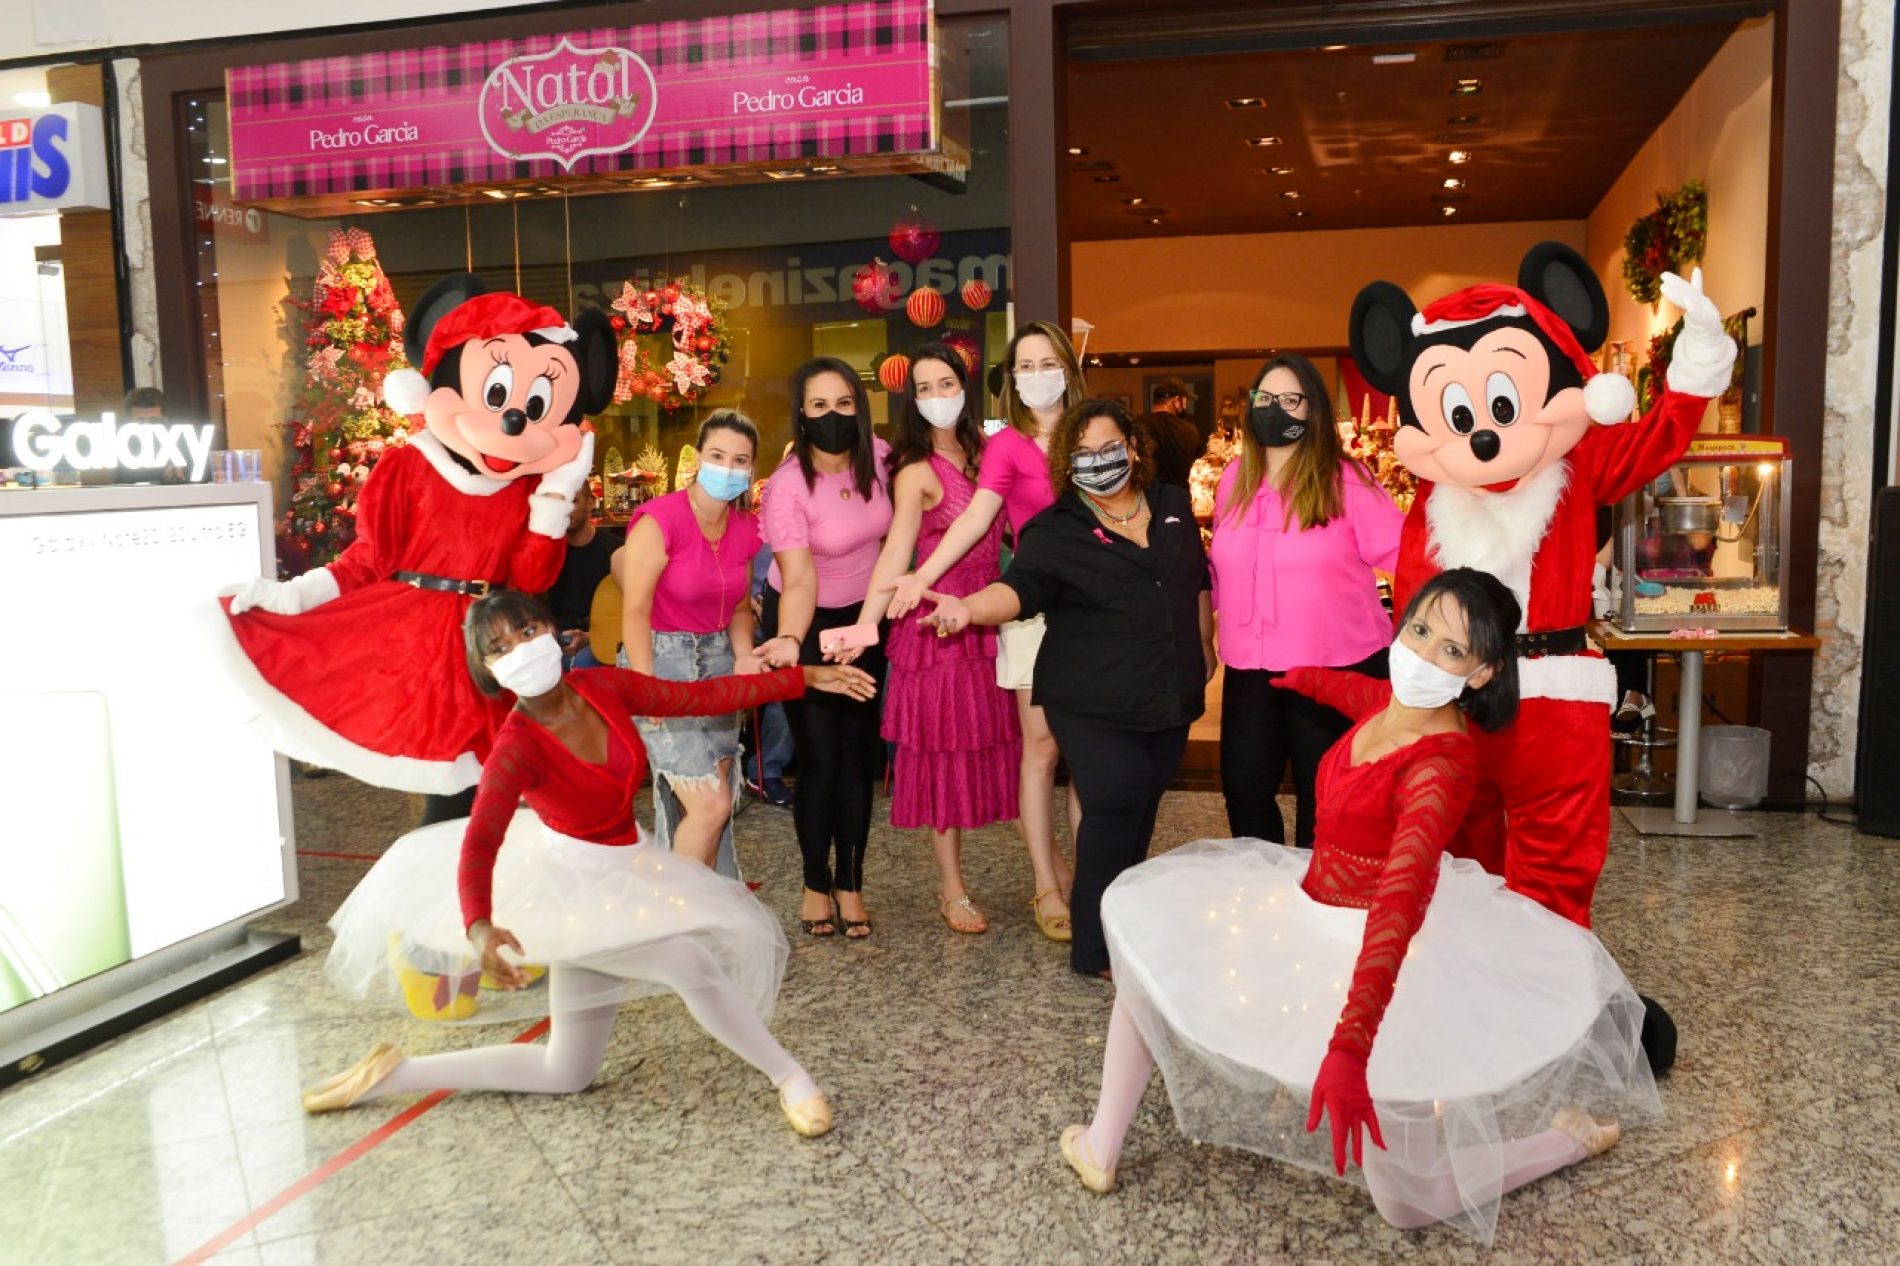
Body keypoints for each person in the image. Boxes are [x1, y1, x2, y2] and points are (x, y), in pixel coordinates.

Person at [1057, 570, 1658, 1244]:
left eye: (1450, 651)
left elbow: (1399, 903)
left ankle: (1565, 1141)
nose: (1423, 653)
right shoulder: (1395, 702)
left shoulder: (1442, 767)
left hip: (1374, 951)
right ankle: (1101, 1144)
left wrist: (1349, 1049)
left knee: (1406, 1201)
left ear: (1483, 672)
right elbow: (1363, 693)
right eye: (1420, 629)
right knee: (1151, 956)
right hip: (1303, 904)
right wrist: (1304, 677)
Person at [309, 590, 876, 1136]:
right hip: (574, 885)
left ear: (552, 631)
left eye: (527, 631)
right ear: (488, 670)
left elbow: (701, 699)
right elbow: (480, 840)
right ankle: (790, 1076)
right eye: (501, 647)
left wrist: (803, 677)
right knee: (688, 962)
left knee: (567, 1070)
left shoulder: (600, 686)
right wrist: (479, 924)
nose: (521, 649)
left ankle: (397, 1073)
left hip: (624, 864)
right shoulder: (518, 745)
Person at [920, 398, 1213, 977]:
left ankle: (1119, 919)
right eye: (1083, 454)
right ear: (1065, 463)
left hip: (1167, 689)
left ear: (1133, 447)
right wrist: (968, 609)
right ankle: (1094, 949)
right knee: (1112, 799)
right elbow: (1021, 589)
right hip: (1089, 696)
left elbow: (1195, 582)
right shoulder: (1055, 529)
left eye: (1109, 448)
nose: (1099, 462)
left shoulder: (1172, 504)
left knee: (1142, 807)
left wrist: (1205, 647)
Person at [885, 320, 1088, 943]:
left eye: (1044, 363)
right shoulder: (952, 461)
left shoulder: (1001, 446)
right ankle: (1008, 885)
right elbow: (955, 528)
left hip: (1026, 613)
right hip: (971, 614)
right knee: (992, 752)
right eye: (1021, 367)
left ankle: (1077, 875)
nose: (1033, 377)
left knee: (1054, 753)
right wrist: (904, 592)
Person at [854, 345, 1020, 934]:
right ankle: (951, 889)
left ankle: (1046, 879)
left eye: (944, 382)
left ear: (964, 386)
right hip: (936, 627)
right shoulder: (916, 470)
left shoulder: (989, 452)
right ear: (911, 400)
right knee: (944, 752)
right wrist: (869, 620)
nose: (935, 397)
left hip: (991, 615)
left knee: (1013, 747)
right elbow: (898, 549)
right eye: (922, 389)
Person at [1210, 354, 1402, 848]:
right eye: (1265, 399)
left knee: (1328, 804)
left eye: (1290, 400)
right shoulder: (1234, 479)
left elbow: (1409, 556)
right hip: (1252, 669)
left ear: (1312, 410)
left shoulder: (1347, 481)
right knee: (1245, 792)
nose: (1275, 409)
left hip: (1335, 670)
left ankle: (1321, 907)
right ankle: (1266, 900)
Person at [758, 357, 893, 938]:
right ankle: (816, 882)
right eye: (818, 406)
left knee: (858, 759)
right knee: (819, 761)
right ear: (802, 415)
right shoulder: (788, 485)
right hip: (804, 624)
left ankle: (852, 883)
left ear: (860, 409)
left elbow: (899, 536)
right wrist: (791, 641)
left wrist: (871, 623)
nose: (832, 416)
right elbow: (801, 577)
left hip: (867, 620)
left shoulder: (884, 459)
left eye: (843, 404)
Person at [611, 411, 764, 880]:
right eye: (717, 456)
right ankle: (675, 913)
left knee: (716, 801)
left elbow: (739, 608)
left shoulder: (745, 529)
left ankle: (704, 906)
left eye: (740, 460)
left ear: (752, 470)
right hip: (661, 661)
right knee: (709, 803)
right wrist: (645, 681)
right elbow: (635, 609)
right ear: (699, 459)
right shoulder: (661, 519)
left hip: (718, 663)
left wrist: (743, 656)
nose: (727, 468)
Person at [542, 482, 622, 670]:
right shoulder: (545, 552)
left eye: (573, 501)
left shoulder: (616, 550)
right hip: (555, 636)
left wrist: (589, 637)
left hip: (601, 637)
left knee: (584, 662)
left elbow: (628, 610)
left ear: (590, 503)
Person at [1138, 377, 1205, 490]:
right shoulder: (1190, 431)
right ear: (1176, 401)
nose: (1186, 406)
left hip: (1146, 498)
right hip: (1180, 497)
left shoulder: (1139, 424)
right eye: (1185, 401)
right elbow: (1197, 466)